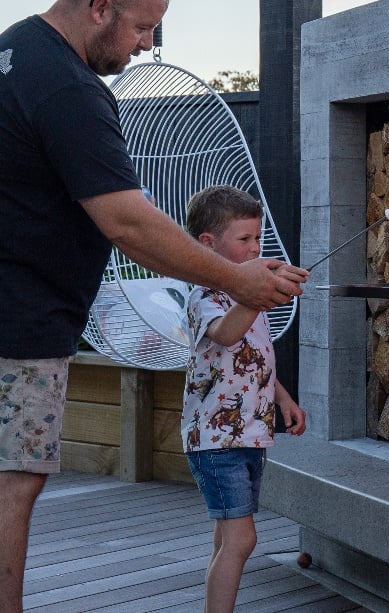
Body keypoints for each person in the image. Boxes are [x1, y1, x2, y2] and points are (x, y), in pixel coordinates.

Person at [0, 2, 307, 611]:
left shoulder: (13, 51)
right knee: (15, 481)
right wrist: (239, 282)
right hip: (21, 319)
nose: (146, 45)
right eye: (141, 26)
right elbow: (127, 223)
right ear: (97, 7)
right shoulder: (68, 86)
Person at [181, 185, 307, 613]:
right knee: (242, 539)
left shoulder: (249, 296)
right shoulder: (205, 294)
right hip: (217, 442)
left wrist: (283, 399)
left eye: (258, 239)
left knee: (226, 539)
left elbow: (254, 358)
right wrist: (256, 297)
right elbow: (227, 333)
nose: (256, 248)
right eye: (244, 240)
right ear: (208, 244)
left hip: (250, 436)